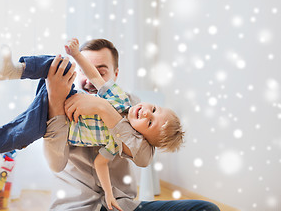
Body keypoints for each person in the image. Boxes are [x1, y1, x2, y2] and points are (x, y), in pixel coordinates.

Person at [43, 38, 220, 210]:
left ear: (115, 74)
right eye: (84, 69)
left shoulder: (131, 104)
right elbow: (55, 164)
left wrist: (102, 107)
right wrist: (54, 103)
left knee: (206, 208)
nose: (90, 80)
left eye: (101, 72)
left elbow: (144, 157)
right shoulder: (61, 105)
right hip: (76, 206)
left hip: (122, 205)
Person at [64, 38, 184, 210]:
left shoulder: (115, 143)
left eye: (149, 122)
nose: (146, 112)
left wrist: (109, 193)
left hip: (115, 204)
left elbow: (102, 163)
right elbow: (94, 76)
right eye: (155, 110)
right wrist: (75, 54)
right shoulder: (120, 99)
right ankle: (19, 70)